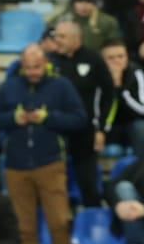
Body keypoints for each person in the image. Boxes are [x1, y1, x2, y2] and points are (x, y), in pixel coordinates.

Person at [0, 44, 86, 244]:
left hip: (50, 163)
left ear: (46, 64)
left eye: (37, 66)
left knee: (59, 223)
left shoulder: (61, 86)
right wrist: (14, 118)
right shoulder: (10, 86)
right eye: (29, 67)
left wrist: (47, 117)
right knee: (23, 227)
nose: (33, 71)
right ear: (22, 65)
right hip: (16, 166)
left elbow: (79, 118)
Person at [48, 18, 114, 207]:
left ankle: (91, 222)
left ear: (76, 38)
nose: (57, 40)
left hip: (85, 131)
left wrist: (102, 129)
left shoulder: (93, 60)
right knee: (52, 182)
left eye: (62, 36)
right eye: (56, 35)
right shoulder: (50, 61)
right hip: (56, 129)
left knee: (88, 183)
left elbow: (110, 96)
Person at [100, 39, 144, 154]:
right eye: (111, 58)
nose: (117, 61)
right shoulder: (97, 74)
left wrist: (119, 88)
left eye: (120, 56)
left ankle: (142, 167)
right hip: (107, 124)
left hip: (130, 122)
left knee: (141, 126)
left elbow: (143, 110)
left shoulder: (136, 73)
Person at [48, 0, 122, 53]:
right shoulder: (59, 21)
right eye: (80, 1)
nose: (84, 6)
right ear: (73, 2)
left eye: (88, 2)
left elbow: (114, 47)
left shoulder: (108, 22)